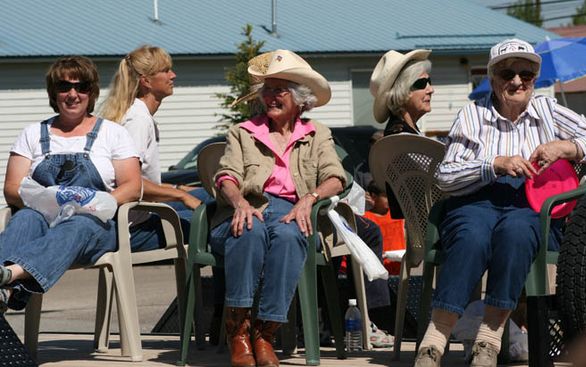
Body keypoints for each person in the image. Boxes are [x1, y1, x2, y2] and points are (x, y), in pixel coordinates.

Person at [415, 38, 586, 367]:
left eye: (526, 74)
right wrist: (492, 164)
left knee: (517, 234)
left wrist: (566, 148)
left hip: (531, 204)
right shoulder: (472, 115)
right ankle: (436, 337)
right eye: (508, 73)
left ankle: (489, 339)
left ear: (535, 80)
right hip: (476, 198)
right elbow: (445, 176)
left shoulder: (548, 110)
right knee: (471, 237)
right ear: (493, 79)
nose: (517, 81)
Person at [210, 49, 346, 367]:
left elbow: (335, 178)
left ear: (299, 98)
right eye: (267, 89)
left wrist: (308, 199)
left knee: (289, 235)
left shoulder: (316, 134)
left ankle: (264, 335)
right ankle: (239, 333)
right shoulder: (243, 132)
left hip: (292, 211)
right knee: (249, 230)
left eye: (279, 89)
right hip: (244, 210)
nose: (271, 96)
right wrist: (240, 202)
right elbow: (225, 175)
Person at [0, 56, 142, 311]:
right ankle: (8, 284)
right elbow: (11, 188)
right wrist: (49, 202)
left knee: (79, 222)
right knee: (25, 218)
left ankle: (11, 277)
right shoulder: (32, 134)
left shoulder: (113, 133)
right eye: (64, 87)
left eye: (82, 87)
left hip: (95, 226)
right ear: (53, 93)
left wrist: (99, 201)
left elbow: (132, 186)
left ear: (92, 92)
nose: (73, 94)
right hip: (43, 218)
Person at [99, 45, 210, 248]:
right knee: (215, 222)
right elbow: (130, 183)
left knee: (211, 195)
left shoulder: (138, 115)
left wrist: (177, 188)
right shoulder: (137, 121)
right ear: (146, 81)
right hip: (132, 228)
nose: (173, 75)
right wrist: (181, 196)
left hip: (138, 214)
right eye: (166, 70)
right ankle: (211, 280)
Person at [369, 49, 434, 218]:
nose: (431, 89)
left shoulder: (405, 132)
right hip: (429, 224)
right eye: (421, 84)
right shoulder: (400, 140)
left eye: (429, 81)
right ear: (402, 93)